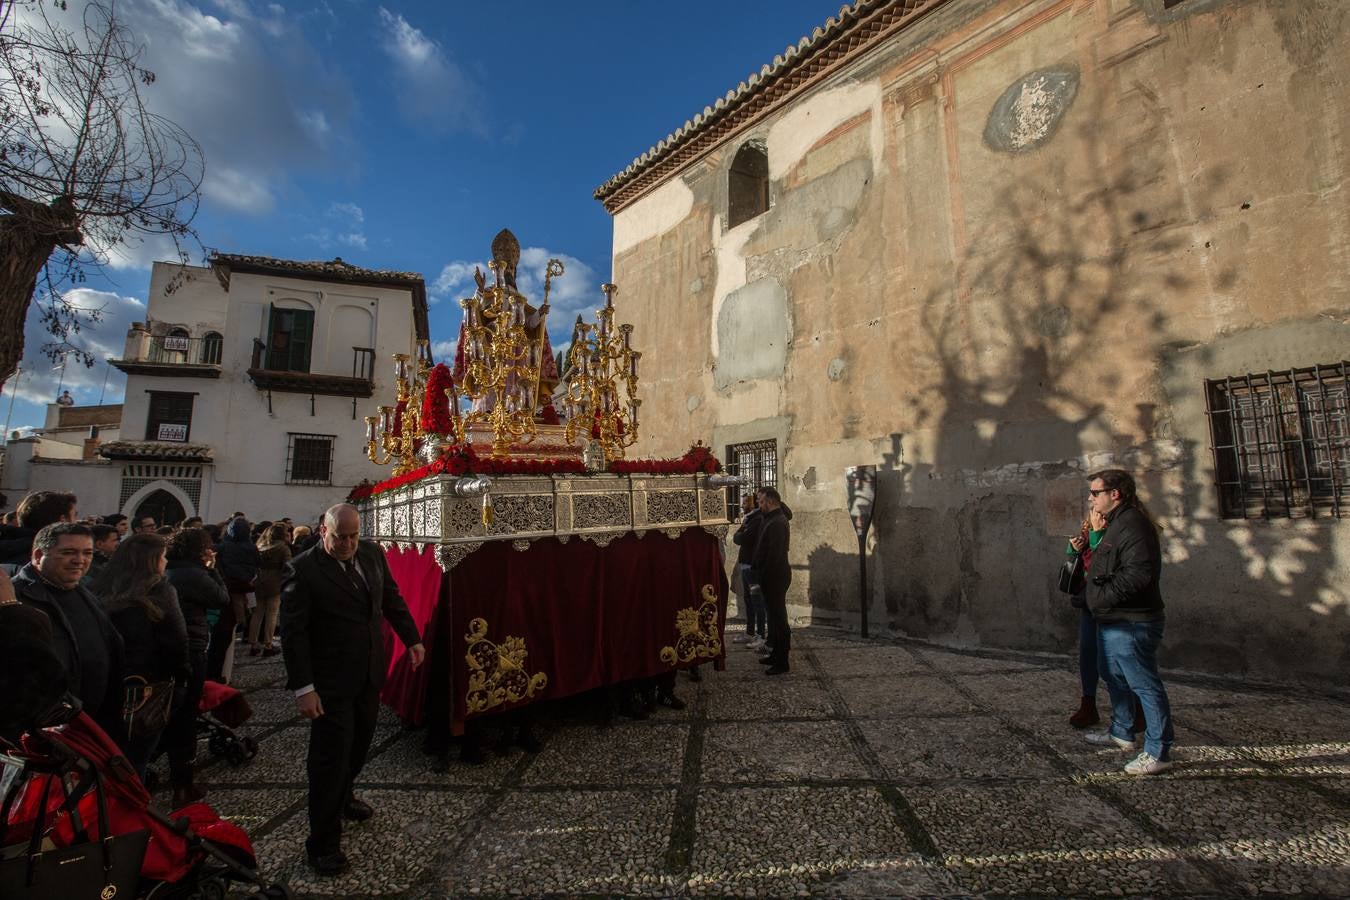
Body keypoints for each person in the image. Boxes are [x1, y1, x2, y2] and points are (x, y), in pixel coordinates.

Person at [281, 503, 424, 876]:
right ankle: (323, 844)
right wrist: (304, 688)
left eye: (353, 536)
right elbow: (294, 635)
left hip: (368, 673)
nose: (347, 544)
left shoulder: (372, 554)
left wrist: (412, 639)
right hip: (329, 682)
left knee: (358, 747)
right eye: (340, 537)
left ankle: (345, 795)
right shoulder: (304, 569)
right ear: (323, 531)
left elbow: (389, 598)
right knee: (329, 760)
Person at [1081, 469, 1175, 776]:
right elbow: (1101, 563)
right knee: (1112, 673)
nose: (1091, 498)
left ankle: (1158, 750)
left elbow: (1137, 574)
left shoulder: (1133, 525)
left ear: (1115, 494)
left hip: (1132, 620)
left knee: (1143, 683)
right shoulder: (1117, 523)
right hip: (1114, 618)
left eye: (1095, 493)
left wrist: (1103, 597)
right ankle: (1122, 731)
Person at [12, 523, 126, 745]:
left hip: (87, 727)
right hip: (36, 732)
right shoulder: (15, 599)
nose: (80, 560)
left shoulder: (87, 595)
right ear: (38, 555)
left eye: (87, 553)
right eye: (68, 552)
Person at [94, 533, 188, 778]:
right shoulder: (160, 589)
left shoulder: (98, 585)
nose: (166, 562)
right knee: (135, 758)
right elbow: (176, 641)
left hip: (105, 684)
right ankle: (128, 809)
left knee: (105, 754)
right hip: (145, 686)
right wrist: (181, 680)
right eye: (163, 557)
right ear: (152, 560)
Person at [163, 527, 229, 807]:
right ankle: (182, 784)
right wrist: (212, 568)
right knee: (185, 716)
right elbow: (221, 598)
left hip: (168, 650)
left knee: (171, 712)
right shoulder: (193, 575)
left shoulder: (167, 571)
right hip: (190, 650)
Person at [208, 516, 260, 682]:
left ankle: (216, 674)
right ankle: (223, 674)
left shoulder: (222, 547)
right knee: (227, 633)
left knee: (218, 636)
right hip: (242, 591)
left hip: (223, 591)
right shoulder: (252, 548)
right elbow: (256, 567)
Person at [754, 487, 793, 676]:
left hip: (775, 576)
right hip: (771, 575)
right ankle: (776, 654)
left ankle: (782, 661)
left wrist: (762, 577)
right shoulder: (771, 518)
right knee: (774, 618)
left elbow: (774, 555)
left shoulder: (777, 522)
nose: (758, 505)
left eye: (761, 501)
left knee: (779, 619)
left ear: (770, 502)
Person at [0, 491, 78, 571]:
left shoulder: (9, 549)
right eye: (75, 516)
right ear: (62, 521)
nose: (76, 522)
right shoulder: (46, 565)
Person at [731, 492, 766, 649]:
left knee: (757, 601)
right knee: (749, 601)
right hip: (746, 566)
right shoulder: (749, 519)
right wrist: (740, 533)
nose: (742, 505)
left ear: (753, 504)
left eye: (745, 503)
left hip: (752, 567)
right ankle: (750, 632)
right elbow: (736, 536)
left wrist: (741, 534)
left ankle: (761, 635)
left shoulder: (757, 519)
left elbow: (742, 538)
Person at [250, 523, 290, 657]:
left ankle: (253, 644)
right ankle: (268, 644)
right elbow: (288, 567)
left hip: (260, 580)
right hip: (275, 582)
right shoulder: (283, 548)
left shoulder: (260, 546)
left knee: (257, 613)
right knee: (272, 614)